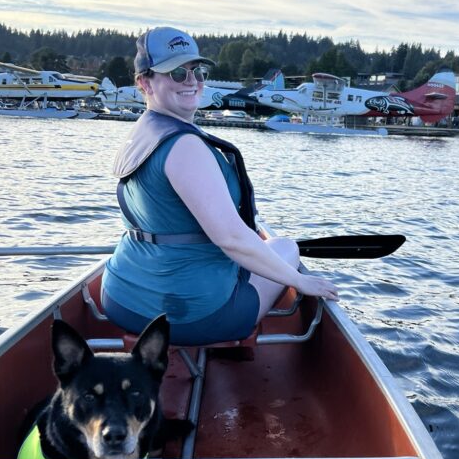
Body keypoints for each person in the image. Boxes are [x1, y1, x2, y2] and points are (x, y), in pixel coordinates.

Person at [101, 26, 339, 345]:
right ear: (145, 82)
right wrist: (299, 281)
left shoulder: (141, 132)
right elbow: (231, 239)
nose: (192, 81)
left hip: (119, 299)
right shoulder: (185, 145)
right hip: (188, 315)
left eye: (197, 71)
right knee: (286, 248)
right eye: (176, 73)